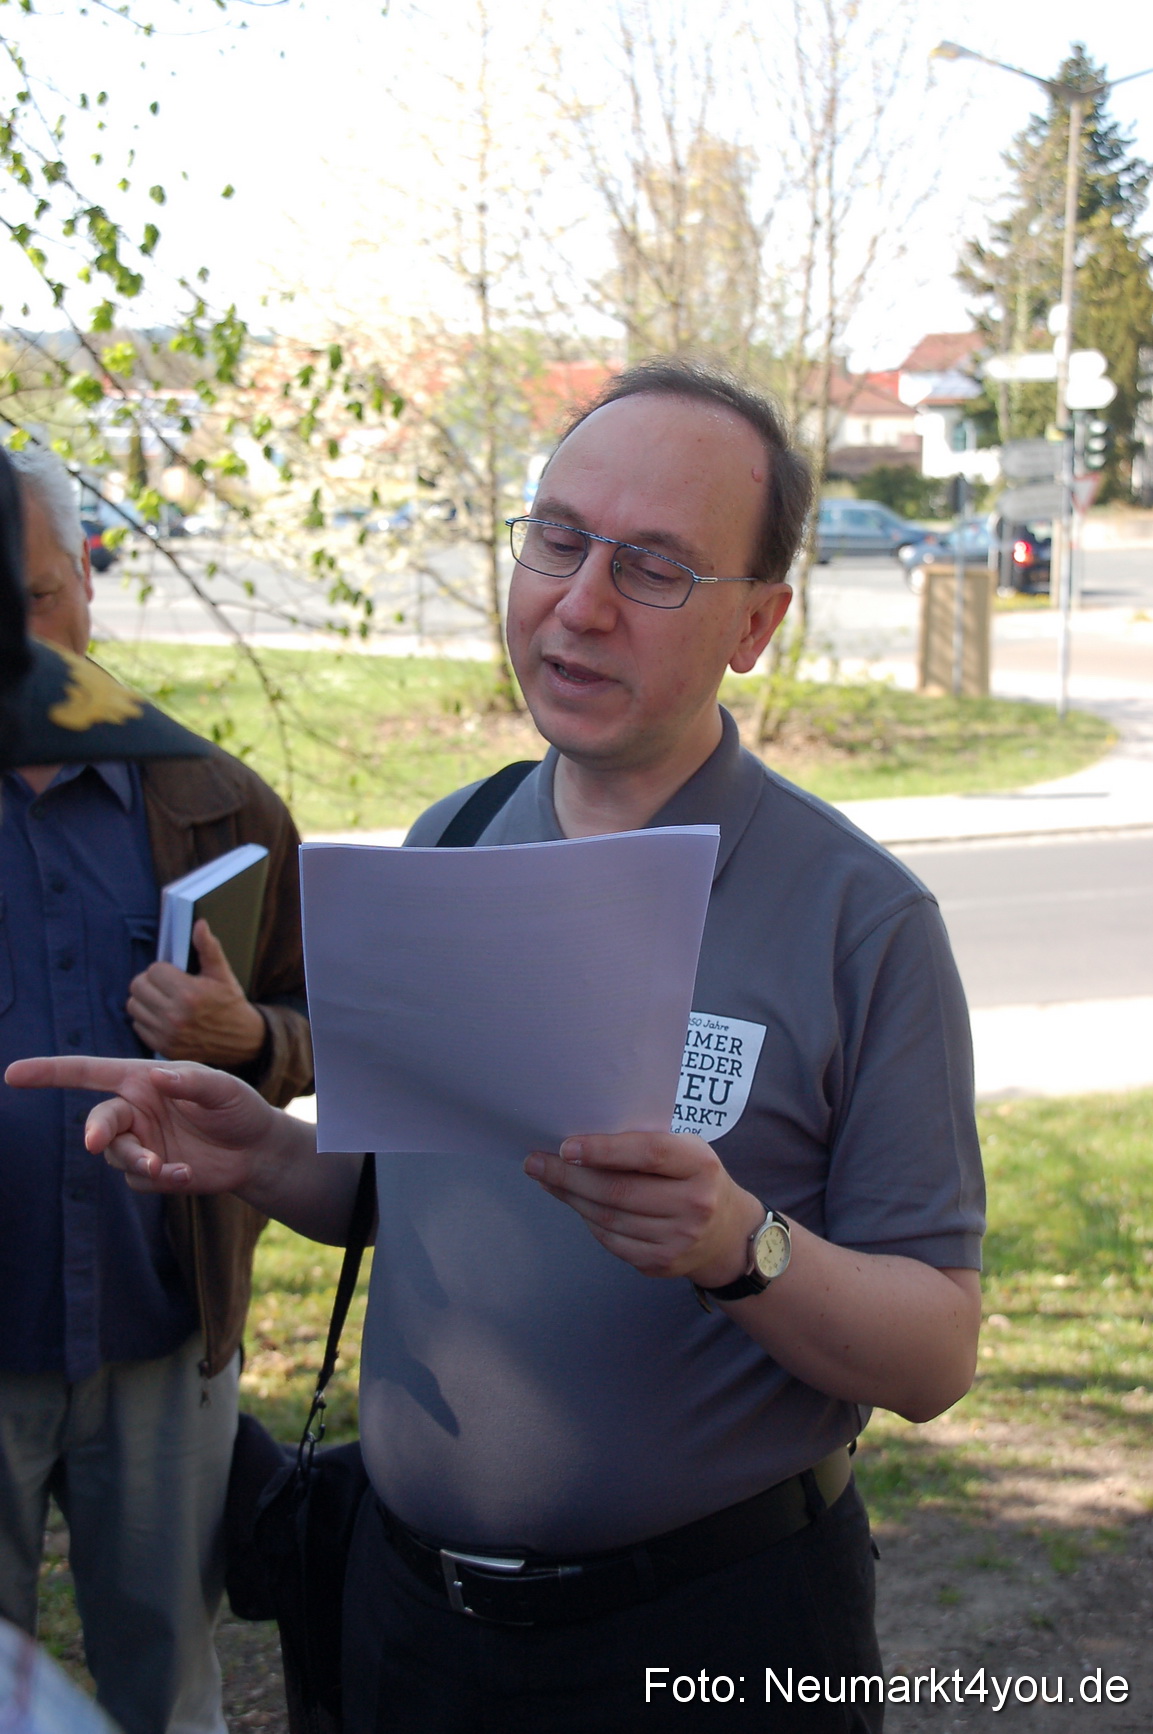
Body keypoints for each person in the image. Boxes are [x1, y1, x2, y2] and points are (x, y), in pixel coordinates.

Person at [9, 364, 985, 1734]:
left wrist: (734, 1243)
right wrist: (257, 1149)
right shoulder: (452, 840)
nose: (577, 602)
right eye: (556, 538)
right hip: (411, 1629)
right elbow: (394, 1193)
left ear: (757, 621)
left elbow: (935, 1352)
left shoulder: (859, 918)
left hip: (716, 1633)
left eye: (651, 567)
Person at [0, 445, 313, 1734]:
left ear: (85, 577)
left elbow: (343, 1028)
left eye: (33, 598)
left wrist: (249, 1037)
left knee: (168, 1688)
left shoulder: (217, 802)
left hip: (163, 1336)